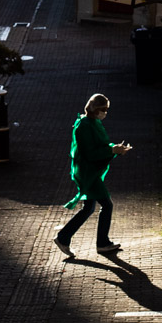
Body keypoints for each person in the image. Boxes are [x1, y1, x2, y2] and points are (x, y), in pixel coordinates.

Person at [54, 93, 132, 258]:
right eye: (104, 110)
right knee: (106, 204)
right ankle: (101, 242)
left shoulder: (92, 122)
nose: (105, 113)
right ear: (96, 109)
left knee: (89, 207)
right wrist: (112, 150)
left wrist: (114, 148)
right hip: (88, 172)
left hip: (90, 171)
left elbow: (101, 146)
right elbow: (91, 153)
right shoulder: (84, 126)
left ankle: (64, 237)